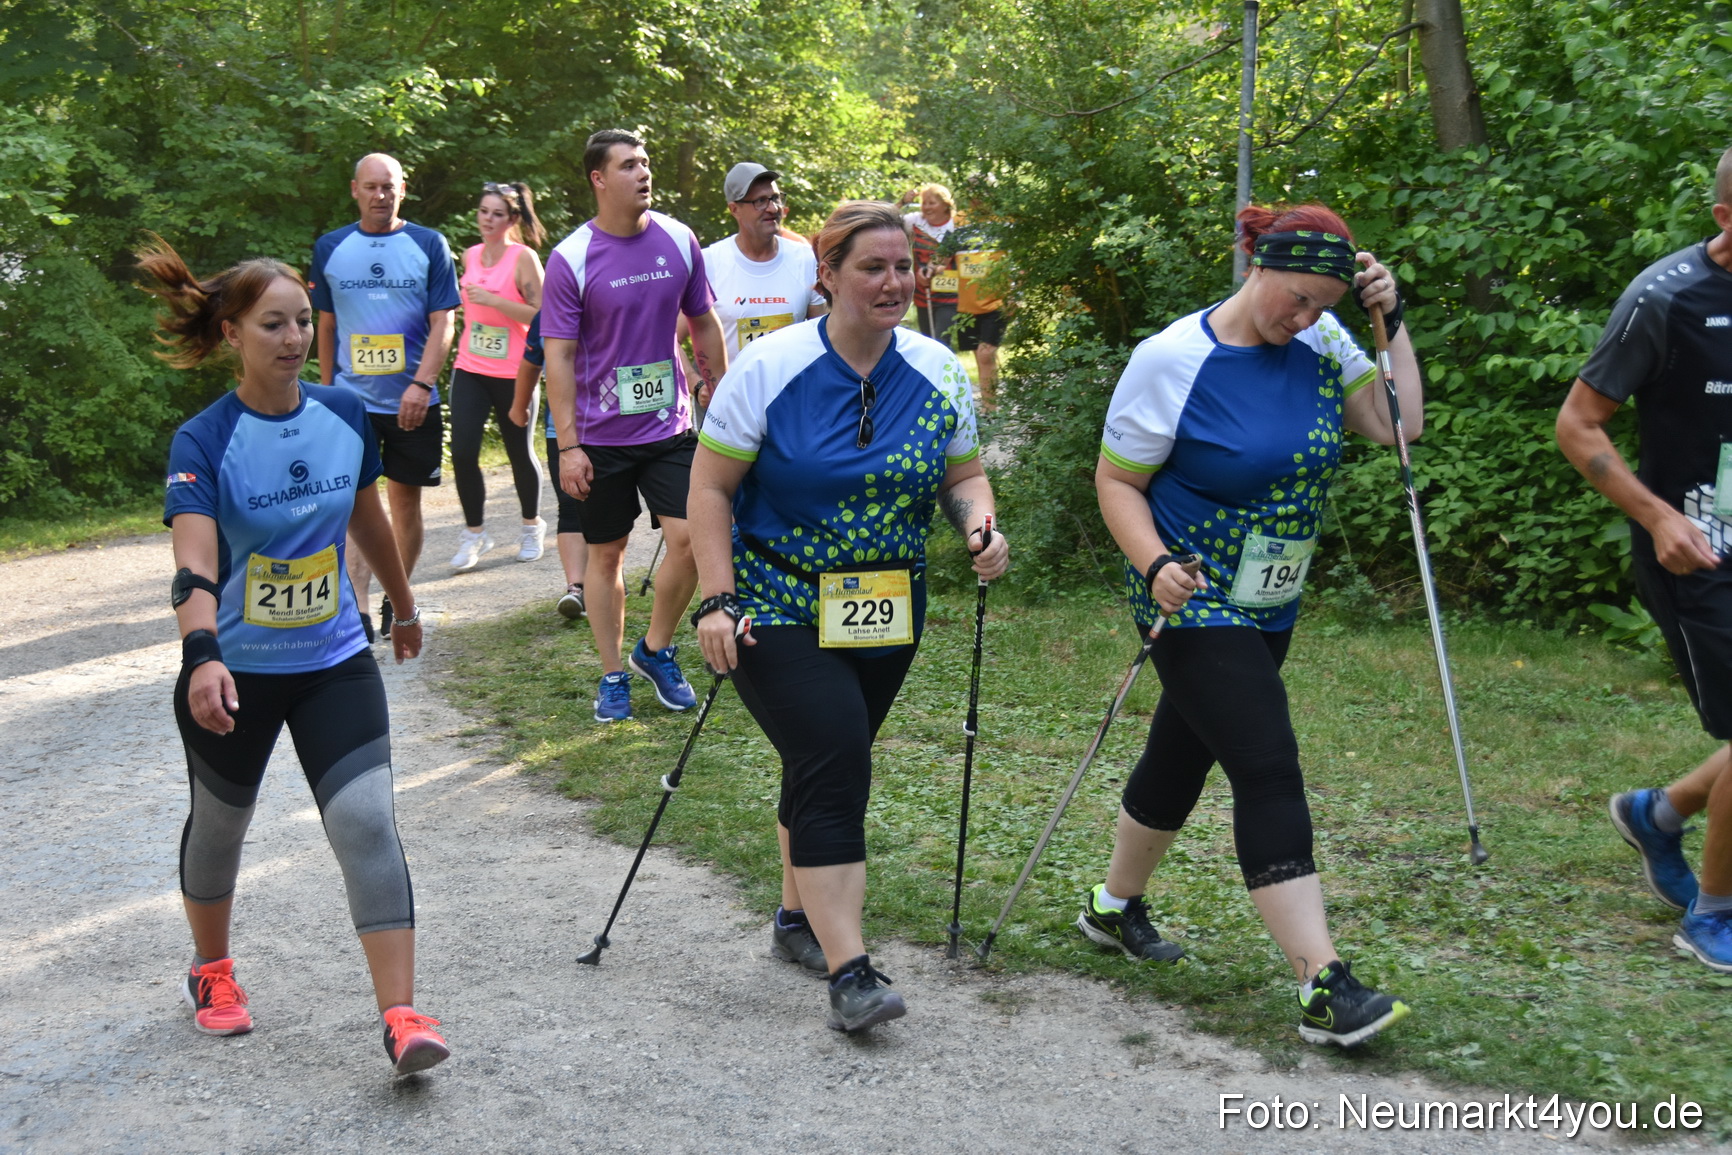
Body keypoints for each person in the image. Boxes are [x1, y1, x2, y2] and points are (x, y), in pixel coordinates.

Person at [1088, 203, 1417, 1048]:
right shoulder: (1171, 358)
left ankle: (1113, 906)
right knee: (1266, 758)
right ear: (1257, 263)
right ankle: (1322, 982)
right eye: (1297, 298)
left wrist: (1390, 325)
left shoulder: (1326, 344)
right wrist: (1156, 563)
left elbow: (1398, 426)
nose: (1304, 318)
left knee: (1184, 745)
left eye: (1322, 304)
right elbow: (1117, 483)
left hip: (1273, 589)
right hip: (1190, 589)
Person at [690, 200, 1009, 1032]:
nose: (894, 282)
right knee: (835, 755)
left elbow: (962, 476)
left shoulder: (938, 369)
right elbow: (711, 489)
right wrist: (717, 599)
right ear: (826, 275)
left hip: (886, 607)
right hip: (776, 599)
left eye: (904, 267)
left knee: (826, 755)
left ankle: (797, 921)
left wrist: (979, 522)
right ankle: (851, 970)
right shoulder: (771, 367)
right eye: (873, 267)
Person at [142, 237, 449, 1074]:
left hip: (332, 659)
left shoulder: (346, 413)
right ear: (233, 332)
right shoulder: (202, 440)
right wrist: (201, 653)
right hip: (233, 671)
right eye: (270, 324)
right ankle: (212, 971)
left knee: (363, 819)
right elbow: (194, 563)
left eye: (299, 323)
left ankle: (401, 1014)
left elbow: (366, 518)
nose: (291, 339)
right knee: (221, 824)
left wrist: (404, 602)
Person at [1556, 146, 1732, 974]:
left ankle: (1660, 812)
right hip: (1697, 550)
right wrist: (1659, 517)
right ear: (1725, 220)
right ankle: (1713, 915)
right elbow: (1578, 425)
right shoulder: (1665, 299)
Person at [542, 129, 729, 722]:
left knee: (691, 539)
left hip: (669, 426)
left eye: (646, 162)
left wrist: (717, 392)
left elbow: (703, 322)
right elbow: (560, 359)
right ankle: (613, 674)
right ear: (599, 179)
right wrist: (568, 445)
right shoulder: (571, 257)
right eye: (629, 165)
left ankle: (654, 648)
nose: (644, 173)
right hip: (599, 438)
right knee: (607, 556)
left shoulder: (678, 239)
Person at [310, 153, 459, 639]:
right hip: (351, 402)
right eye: (371, 187)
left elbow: (445, 321)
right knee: (356, 503)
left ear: (403, 188)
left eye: (389, 187)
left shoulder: (427, 244)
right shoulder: (331, 247)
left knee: (406, 503)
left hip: (413, 402)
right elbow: (324, 324)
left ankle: (400, 598)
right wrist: (328, 390)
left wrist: (420, 384)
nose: (381, 195)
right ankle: (358, 602)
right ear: (355, 190)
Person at [448, 181, 548, 571]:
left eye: (497, 214)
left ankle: (531, 526)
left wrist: (496, 302)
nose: (487, 220)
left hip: (514, 371)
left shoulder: (523, 258)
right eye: (483, 211)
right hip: (470, 367)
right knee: (462, 452)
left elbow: (543, 317)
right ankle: (475, 534)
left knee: (519, 451)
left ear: (512, 219)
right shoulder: (470, 254)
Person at [702, 162, 827, 361]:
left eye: (776, 198)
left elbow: (822, 337)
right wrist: (697, 384)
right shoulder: (709, 262)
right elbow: (673, 334)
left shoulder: (804, 258)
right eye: (760, 201)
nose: (773, 208)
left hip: (790, 391)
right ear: (735, 209)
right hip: (733, 391)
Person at [513, 310, 589, 619]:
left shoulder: (614, 299)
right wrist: (519, 407)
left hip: (612, 426)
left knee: (608, 503)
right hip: (561, 427)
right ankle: (576, 587)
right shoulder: (546, 317)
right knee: (569, 502)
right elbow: (530, 365)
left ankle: (607, 576)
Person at [944, 186, 1010, 412]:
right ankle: (987, 406)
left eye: (983, 193)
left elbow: (1018, 262)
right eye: (975, 193)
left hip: (997, 301)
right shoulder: (959, 221)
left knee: (986, 353)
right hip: (967, 304)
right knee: (979, 356)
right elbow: (944, 254)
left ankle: (991, 409)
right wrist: (931, 270)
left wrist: (1016, 297)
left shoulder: (1005, 221)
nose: (978, 198)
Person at [902, 183, 959, 347]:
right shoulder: (915, 220)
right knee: (928, 342)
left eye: (931, 203)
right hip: (923, 292)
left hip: (949, 293)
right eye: (924, 202)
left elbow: (947, 255)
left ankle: (945, 371)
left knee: (941, 341)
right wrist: (902, 202)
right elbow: (885, 220)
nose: (926, 207)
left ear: (945, 204)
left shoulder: (956, 224)